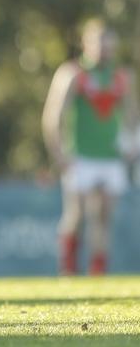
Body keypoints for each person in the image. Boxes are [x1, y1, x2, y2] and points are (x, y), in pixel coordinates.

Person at [42, 19, 138, 276]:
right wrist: (59, 153)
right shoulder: (74, 73)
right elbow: (54, 116)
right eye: (100, 43)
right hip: (80, 156)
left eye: (110, 44)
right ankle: (69, 269)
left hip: (111, 157)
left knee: (104, 215)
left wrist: (133, 146)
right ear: (87, 43)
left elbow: (132, 116)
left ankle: (97, 272)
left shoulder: (121, 76)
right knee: (77, 214)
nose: (106, 50)